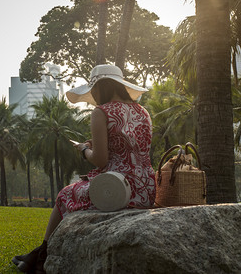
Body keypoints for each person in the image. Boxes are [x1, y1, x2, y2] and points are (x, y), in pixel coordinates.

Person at [12, 64, 156, 274]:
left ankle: (41, 256)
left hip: (119, 190)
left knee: (64, 195)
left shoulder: (102, 112)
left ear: (99, 87)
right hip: (146, 190)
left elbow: (100, 160)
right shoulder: (143, 112)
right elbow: (130, 149)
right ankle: (36, 255)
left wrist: (83, 149)